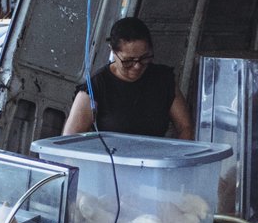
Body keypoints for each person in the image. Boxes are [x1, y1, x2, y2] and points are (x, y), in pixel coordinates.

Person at [62, 16, 194, 139]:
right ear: (113, 52)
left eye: (144, 58)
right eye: (128, 61)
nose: (137, 66)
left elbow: (185, 127)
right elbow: (68, 140)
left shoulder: (163, 79)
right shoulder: (95, 87)